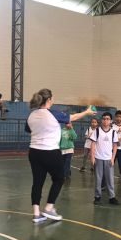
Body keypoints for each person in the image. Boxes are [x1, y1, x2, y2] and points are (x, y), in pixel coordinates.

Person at [26, 88, 95, 222]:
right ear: (49, 100)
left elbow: (29, 130)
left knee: (37, 182)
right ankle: (49, 208)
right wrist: (87, 111)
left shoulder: (31, 115)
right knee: (59, 178)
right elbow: (73, 118)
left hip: (34, 152)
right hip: (50, 151)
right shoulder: (54, 114)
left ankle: (36, 213)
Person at [90, 112, 119, 205]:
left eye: (107, 119)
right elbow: (93, 144)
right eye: (104, 119)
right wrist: (92, 157)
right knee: (98, 178)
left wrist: (113, 158)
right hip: (98, 158)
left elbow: (115, 146)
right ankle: (97, 197)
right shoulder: (97, 131)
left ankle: (112, 197)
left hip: (108, 159)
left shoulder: (113, 132)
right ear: (101, 120)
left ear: (111, 121)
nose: (105, 120)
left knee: (110, 179)